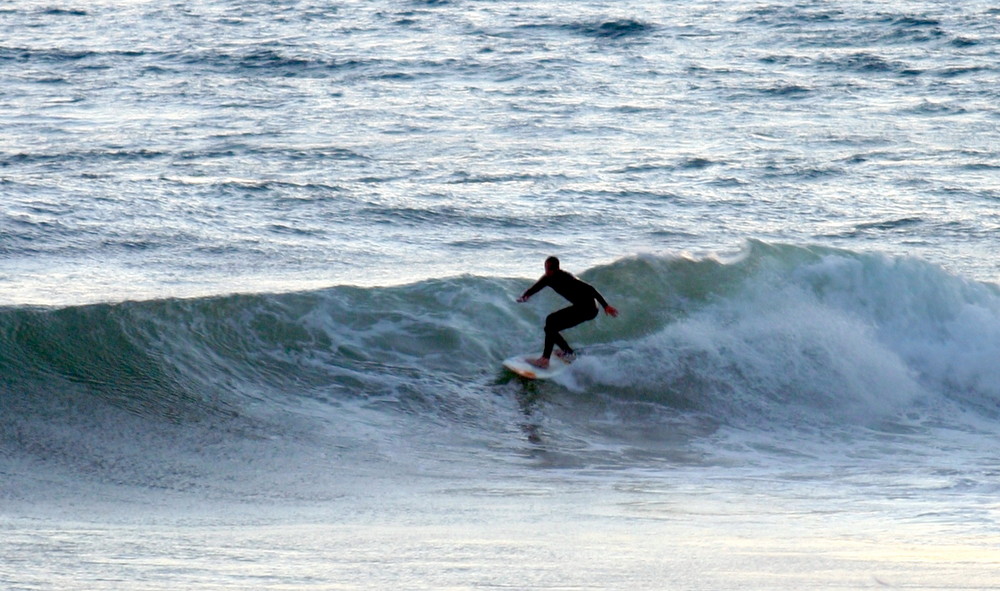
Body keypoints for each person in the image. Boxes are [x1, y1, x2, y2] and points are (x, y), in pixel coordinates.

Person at [516, 256, 619, 368]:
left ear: (555, 269)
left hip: (589, 308)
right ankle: (568, 353)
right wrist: (525, 296)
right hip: (580, 306)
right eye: (545, 268)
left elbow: (590, 289)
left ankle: (546, 359)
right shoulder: (548, 278)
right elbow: (537, 287)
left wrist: (606, 306)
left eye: (548, 269)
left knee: (550, 321)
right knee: (550, 328)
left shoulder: (565, 277)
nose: (546, 271)